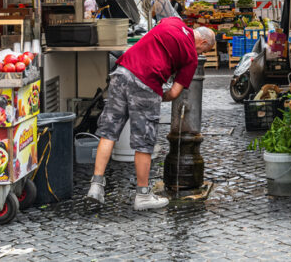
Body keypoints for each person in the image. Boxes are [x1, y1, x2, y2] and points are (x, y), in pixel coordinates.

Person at [86, 19, 216, 210]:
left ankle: (95, 187)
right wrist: (156, 97)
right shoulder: (191, 57)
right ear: (203, 43)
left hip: (122, 72)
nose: (200, 54)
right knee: (144, 142)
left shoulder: (172, 22)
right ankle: (142, 195)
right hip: (146, 84)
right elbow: (174, 93)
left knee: (109, 133)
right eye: (203, 51)